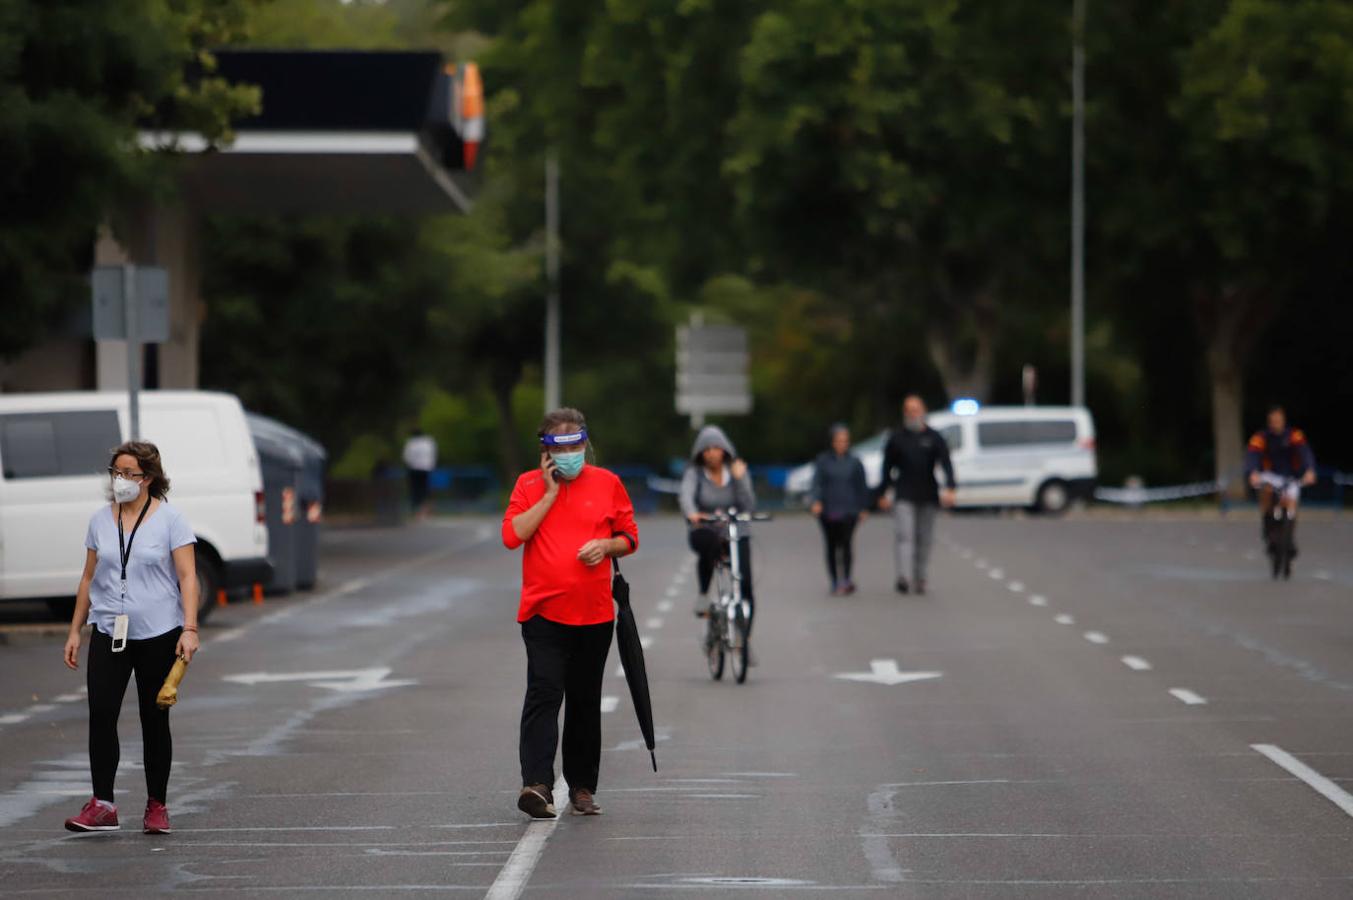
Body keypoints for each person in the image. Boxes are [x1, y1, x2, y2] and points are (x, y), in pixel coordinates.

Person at [502, 408, 638, 819]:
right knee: (544, 693)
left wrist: (606, 546)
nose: (572, 454)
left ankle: (581, 786)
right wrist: (548, 494)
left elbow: (629, 536)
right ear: (545, 453)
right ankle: (537, 784)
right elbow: (513, 535)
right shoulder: (528, 486)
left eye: (577, 445)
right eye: (562, 448)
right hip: (544, 612)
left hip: (593, 616)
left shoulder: (608, 483)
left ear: (586, 444)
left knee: (583, 699)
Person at [61, 442, 200, 834]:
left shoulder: (171, 520)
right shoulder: (99, 521)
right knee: (101, 715)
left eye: (129, 473)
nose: (120, 480)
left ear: (149, 478)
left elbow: (188, 577)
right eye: (116, 472)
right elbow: (88, 578)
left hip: (159, 633)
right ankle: (102, 804)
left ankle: (157, 804)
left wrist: (190, 628)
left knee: (154, 719)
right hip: (108, 630)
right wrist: (75, 629)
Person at [879, 395, 956, 595]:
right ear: (905, 413)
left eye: (916, 410)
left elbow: (946, 464)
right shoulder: (896, 439)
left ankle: (920, 576)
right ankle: (903, 576)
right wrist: (883, 493)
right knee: (905, 535)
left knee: (924, 537)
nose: (913, 414)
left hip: (928, 494)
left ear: (923, 412)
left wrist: (950, 488)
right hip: (904, 493)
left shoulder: (934, 438)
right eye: (909, 410)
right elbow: (887, 468)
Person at [679, 425, 755, 620]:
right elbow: (685, 495)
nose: (711, 453)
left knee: (746, 582)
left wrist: (740, 480)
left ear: (725, 449)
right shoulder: (695, 473)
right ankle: (704, 594)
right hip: (705, 528)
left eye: (715, 448)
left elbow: (748, 505)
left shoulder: (736, 471)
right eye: (706, 449)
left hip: (735, 530)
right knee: (710, 544)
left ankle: (744, 636)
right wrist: (692, 513)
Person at [1245, 405, 1316, 558]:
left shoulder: (1294, 435)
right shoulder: (1261, 437)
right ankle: (1266, 521)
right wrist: (1252, 472)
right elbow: (1252, 454)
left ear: (1283, 421)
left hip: (1291, 476)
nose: (1275, 424)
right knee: (1266, 491)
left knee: (1292, 503)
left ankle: (1289, 537)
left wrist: (1309, 470)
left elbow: (1305, 452)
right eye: (1272, 421)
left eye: (1278, 421)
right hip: (1269, 474)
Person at [810, 424, 871, 595]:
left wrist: (864, 507)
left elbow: (861, 486)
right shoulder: (823, 461)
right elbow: (816, 483)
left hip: (849, 510)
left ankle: (846, 578)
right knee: (831, 545)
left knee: (846, 543)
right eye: (838, 440)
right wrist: (816, 501)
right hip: (829, 509)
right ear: (832, 441)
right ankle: (835, 579)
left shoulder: (855, 462)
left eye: (845, 441)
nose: (841, 444)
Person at [402, 428, 437, 519]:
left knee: (415, 490)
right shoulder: (429, 442)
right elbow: (433, 454)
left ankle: (416, 510)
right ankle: (425, 509)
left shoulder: (411, 443)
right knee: (425, 489)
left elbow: (406, 457)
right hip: (426, 468)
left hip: (414, 469)